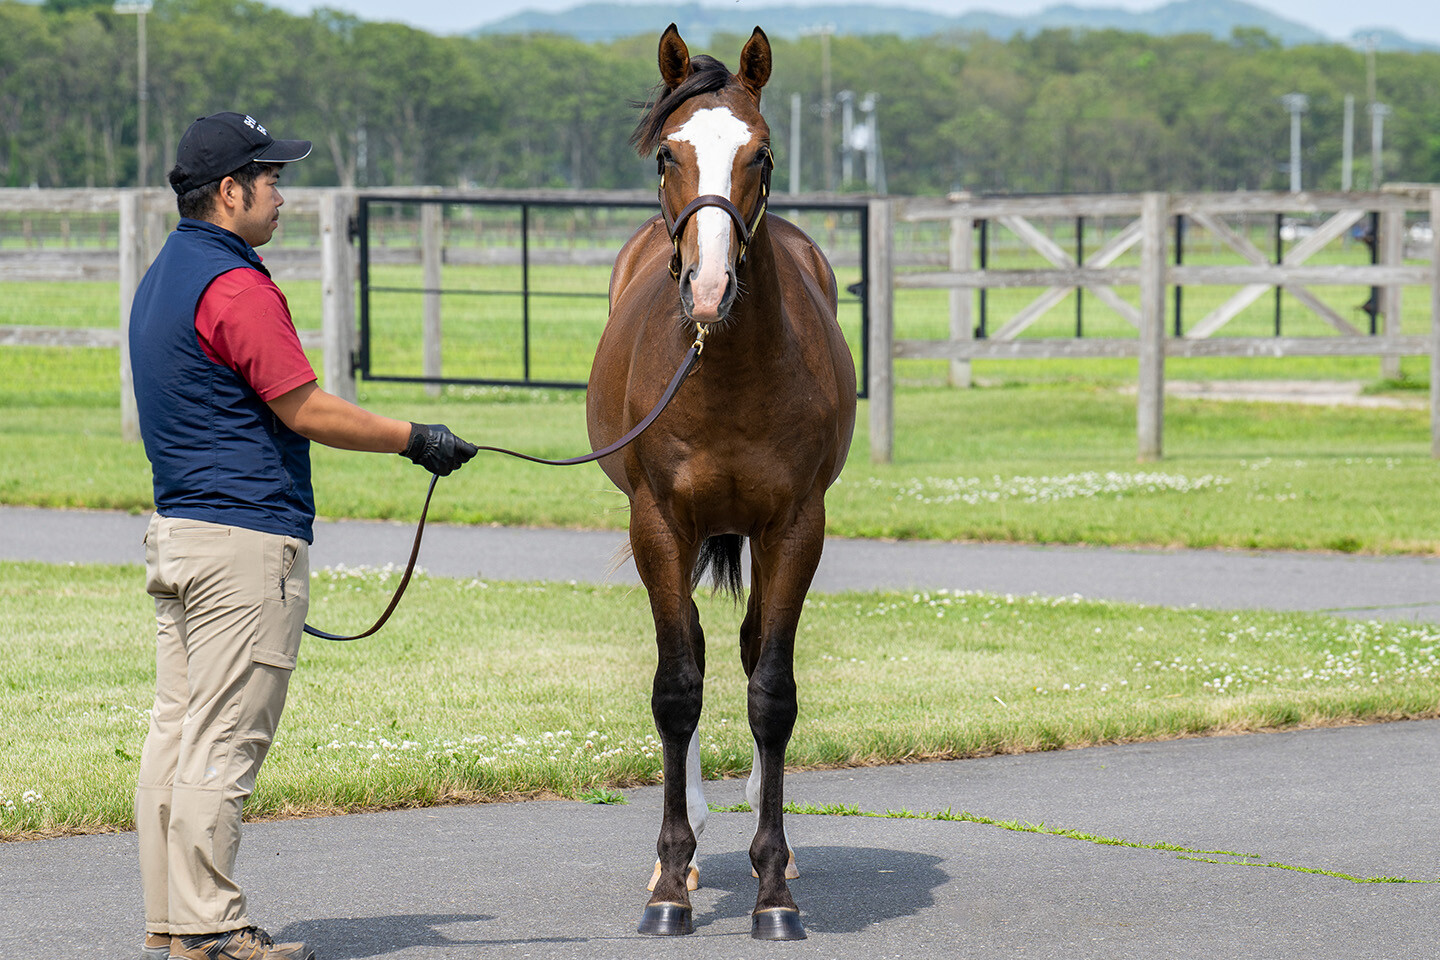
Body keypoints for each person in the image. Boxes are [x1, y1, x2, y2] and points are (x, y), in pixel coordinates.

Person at [129, 112, 476, 960]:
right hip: (243, 544)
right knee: (223, 741)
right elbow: (304, 408)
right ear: (230, 191)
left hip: (181, 532)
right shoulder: (236, 287)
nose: (282, 196)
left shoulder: (164, 274)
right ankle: (211, 927)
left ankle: (174, 923)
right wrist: (414, 438)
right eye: (272, 179)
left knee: (176, 734)